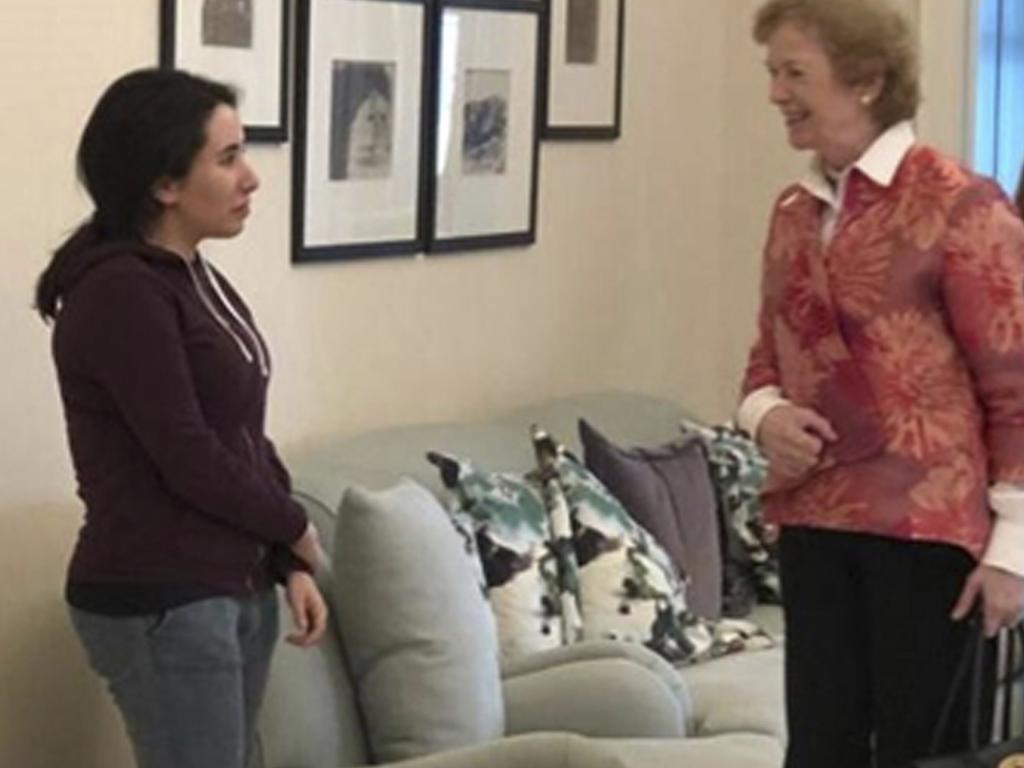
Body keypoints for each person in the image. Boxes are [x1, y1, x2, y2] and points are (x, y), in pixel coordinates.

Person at [738, 1, 1024, 766]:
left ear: (865, 80)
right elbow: (767, 356)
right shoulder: (794, 212)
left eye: (794, 72)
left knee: (922, 756)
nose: (775, 93)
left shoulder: (962, 204)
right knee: (820, 754)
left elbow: (1017, 387)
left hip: (927, 539)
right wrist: (763, 414)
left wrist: (1013, 551)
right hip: (816, 527)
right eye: (773, 72)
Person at [35, 68, 328, 768]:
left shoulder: (189, 273)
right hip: (160, 595)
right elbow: (187, 453)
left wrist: (286, 558)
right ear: (164, 184)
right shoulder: (120, 294)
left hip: (227, 585)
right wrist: (293, 524)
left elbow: (241, 435)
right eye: (227, 159)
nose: (251, 178)